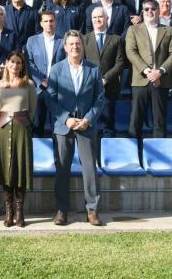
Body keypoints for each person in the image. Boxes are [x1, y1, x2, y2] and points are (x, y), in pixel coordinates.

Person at [48, 30, 105, 226]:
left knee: (90, 169)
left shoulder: (94, 69)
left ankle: (92, 210)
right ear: (65, 47)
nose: (75, 47)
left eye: (78, 43)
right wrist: (66, 119)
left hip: (86, 127)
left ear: (83, 46)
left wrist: (88, 119)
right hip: (64, 128)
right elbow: (50, 99)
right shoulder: (56, 70)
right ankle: (62, 210)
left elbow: (99, 99)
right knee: (62, 168)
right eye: (71, 44)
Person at [0, 50, 36, 227]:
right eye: (12, 62)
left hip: (22, 128)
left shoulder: (29, 84)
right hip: (3, 128)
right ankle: (8, 212)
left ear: (22, 65)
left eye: (18, 62)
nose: (15, 66)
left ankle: (20, 212)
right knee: (6, 170)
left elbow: (32, 109)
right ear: (6, 63)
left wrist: (22, 122)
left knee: (20, 169)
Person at [125, 0, 172, 140]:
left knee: (159, 122)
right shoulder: (133, 29)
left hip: (161, 81)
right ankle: (133, 155)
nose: (150, 11)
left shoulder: (168, 30)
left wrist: (159, 72)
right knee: (135, 121)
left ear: (158, 11)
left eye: (153, 8)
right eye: (147, 9)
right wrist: (147, 71)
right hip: (140, 79)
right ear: (142, 12)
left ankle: (157, 158)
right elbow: (131, 52)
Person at [83, 7, 126, 139]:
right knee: (90, 125)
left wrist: (105, 78)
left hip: (109, 88)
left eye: (100, 17)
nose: (97, 19)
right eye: (94, 17)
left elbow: (120, 63)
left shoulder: (116, 39)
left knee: (108, 126)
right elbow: (81, 62)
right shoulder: (84, 39)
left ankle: (108, 157)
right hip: (89, 89)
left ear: (107, 19)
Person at [26, 11, 65, 137]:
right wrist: (40, 81)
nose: (49, 24)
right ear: (41, 23)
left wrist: (53, 80)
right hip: (39, 89)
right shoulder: (32, 40)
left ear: (56, 22)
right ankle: (38, 155)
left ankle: (58, 156)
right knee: (37, 126)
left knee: (58, 127)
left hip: (58, 90)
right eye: (46, 21)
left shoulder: (63, 40)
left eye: (51, 21)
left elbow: (66, 63)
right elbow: (29, 63)